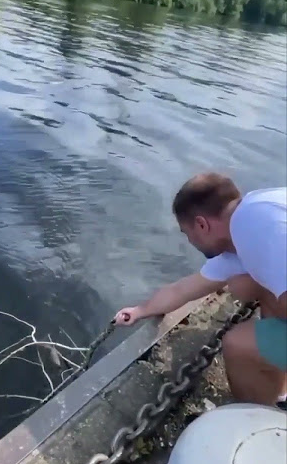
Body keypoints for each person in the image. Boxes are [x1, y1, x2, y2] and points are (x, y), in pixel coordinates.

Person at [114, 173, 287, 407]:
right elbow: (182, 290)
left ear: (201, 224)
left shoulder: (258, 231)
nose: (190, 242)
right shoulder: (252, 218)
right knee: (253, 287)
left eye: (187, 233)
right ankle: (281, 394)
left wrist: (255, 286)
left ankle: (258, 423)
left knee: (239, 344)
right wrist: (139, 310)